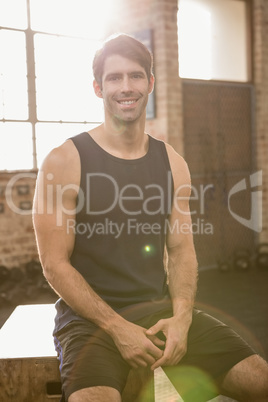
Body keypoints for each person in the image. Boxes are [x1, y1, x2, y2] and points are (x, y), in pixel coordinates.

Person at [33, 34, 268, 402]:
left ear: (151, 83)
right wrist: (116, 326)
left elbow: (181, 252)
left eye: (136, 76)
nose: (126, 87)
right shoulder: (65, 160)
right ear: (98, 87)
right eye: (114, 78)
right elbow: (54, 265)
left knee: (260, 380)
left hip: (157, 312)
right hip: (89, 323)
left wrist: (182, 319)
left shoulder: (173, 163)